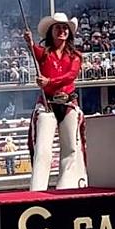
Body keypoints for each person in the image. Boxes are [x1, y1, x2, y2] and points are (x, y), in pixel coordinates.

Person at [23, 12, 88, 190]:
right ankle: (37, 189)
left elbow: (71, 76)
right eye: (58, 28)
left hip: (67, 102)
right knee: (43, 149)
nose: (62, 31)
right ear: (51, 31)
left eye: (65, 28)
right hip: (47, 104)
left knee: (70, 150)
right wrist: (29, 42)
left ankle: (65, 187)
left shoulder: (75, 56)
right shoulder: (44, 53)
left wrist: (48, 82)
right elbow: (33, 49)